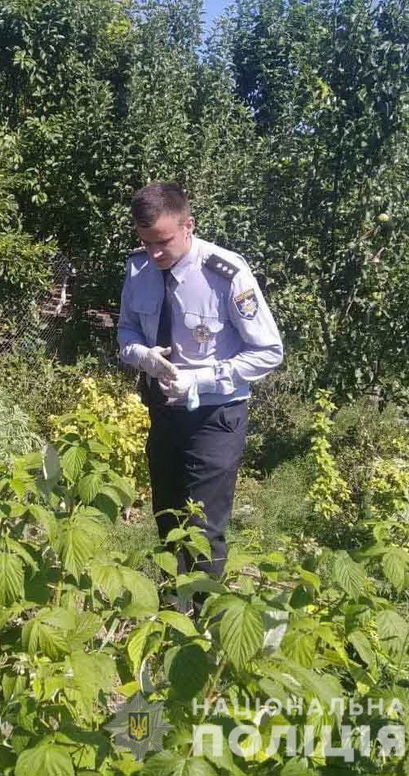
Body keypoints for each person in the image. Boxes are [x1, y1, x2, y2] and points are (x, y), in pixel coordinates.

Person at [117, 182, 283, 590]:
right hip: (163, 409)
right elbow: (125, 331)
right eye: (146, 242)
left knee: (202, 527)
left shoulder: (224, 272)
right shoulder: (139, 269)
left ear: (188, 225)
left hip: (215, 416)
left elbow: (268, 351)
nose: (155, 254)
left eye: (163, 242)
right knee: (167, 519)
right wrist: (142, 356)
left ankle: (204, 633)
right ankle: (170, 616)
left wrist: (201, 377)